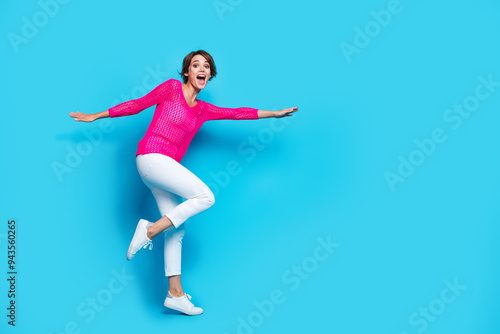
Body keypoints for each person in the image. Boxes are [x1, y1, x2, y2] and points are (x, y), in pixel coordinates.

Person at [69, 50, 298, 315]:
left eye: (207, 66)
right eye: (196, 64)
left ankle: (175, 294)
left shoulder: (203, 110)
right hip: (152, 157)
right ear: (186, 72)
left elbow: (237, 113)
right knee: (205, 196)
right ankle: (149, 230)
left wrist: (274, 114)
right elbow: (137, 104)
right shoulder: (171, 89)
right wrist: (96, 116)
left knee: (176, 228)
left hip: (163, 168)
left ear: (210, 75)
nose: (202, 69)